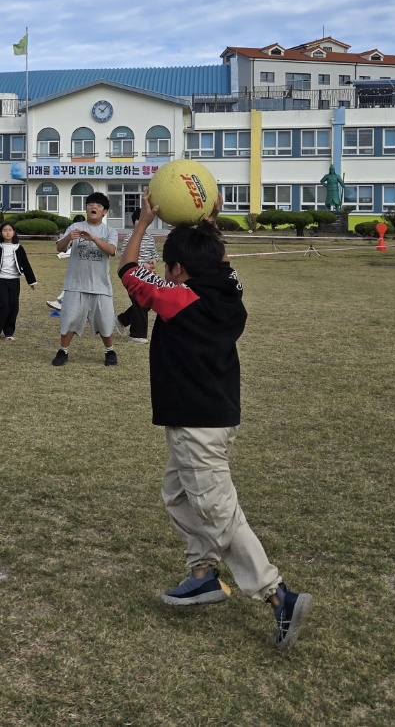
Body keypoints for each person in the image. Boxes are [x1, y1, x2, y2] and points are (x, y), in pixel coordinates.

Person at [119, 190, 312, 651]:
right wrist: (207, 221)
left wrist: (143, 224)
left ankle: (276, 594)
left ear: (179, 270)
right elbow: (216, 254)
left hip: (196, 421)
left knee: (217, 510)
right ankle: (202, 574)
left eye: (169, 267)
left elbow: (128, 271)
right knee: (179, 494)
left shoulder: (178, 299)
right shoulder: (229, 284)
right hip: (217, 413)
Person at [52, 192, 119, 367]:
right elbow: (59, 247)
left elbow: (111, 251)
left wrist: (94, 238)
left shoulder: (109, 231)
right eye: (90, 204)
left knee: (105, 320)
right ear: (86, 208)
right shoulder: (75, 227)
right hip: (75, 284)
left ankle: (110, 351)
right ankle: (63, 351)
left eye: (98, 205)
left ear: (104, 211)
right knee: (69, 319)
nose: (93, 207)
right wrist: (68, 237)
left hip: (101, 285)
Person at [0, 221, 38, 340]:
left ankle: (9, 333)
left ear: (14, 233)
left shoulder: (19, 248)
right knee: (4, 306)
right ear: (1, 233)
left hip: (15, 281)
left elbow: (26, 265)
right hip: (1, 280)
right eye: (4, 230)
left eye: (10, 230)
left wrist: (31, 282)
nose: (7, 232)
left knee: (13, 306)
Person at [116, 209, 159, 343]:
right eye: (138, 220)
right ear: (134, 222)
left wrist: (153, 261)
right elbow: (126, 259)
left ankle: (122, 320)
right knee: (141, 302)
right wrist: (142, 265)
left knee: (147, 302)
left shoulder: (150, 238)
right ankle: (137, 335)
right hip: (133, 274)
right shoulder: (130, 238)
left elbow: (154, 254)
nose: (140, 223)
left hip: (148, 275)